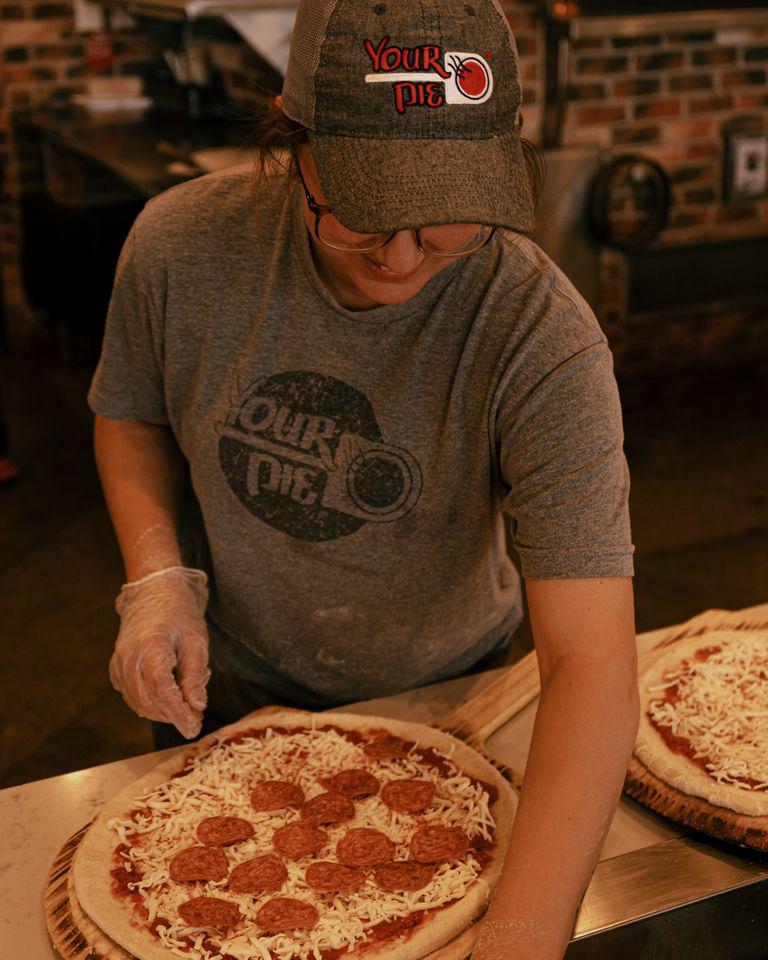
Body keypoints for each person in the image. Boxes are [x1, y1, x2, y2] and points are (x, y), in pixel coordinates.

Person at [88, 1, 639, 957]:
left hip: (452, 703)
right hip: (225, 689)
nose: (399, 257)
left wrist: (522, 937)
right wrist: (158, 581)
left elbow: (592, 663)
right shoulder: (180, 246)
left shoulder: (538, 335)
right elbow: (132, 412)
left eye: (444, 220)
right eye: (363, 210)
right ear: (292, 145)